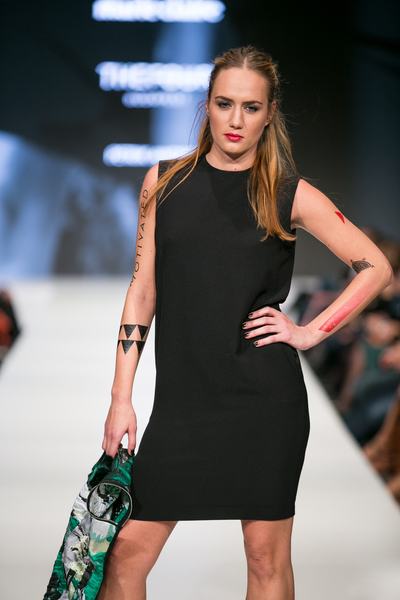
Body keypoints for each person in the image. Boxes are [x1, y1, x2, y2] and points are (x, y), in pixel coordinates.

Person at [98, 45, 393, 600]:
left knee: (264, 559)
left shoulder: (289, 193)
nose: (236, 120)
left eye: (251, 107)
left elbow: (375, 266)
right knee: (124, 556)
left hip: (264, 403)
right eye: (224, 103)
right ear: (207, 104)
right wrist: (121, 398)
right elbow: (143, 292)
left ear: (270, 112)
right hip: (182, 403)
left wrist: (310, 331)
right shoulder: (164, 182)